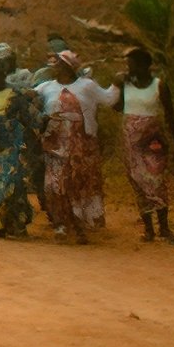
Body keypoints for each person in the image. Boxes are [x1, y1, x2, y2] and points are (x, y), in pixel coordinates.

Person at [39, 50, 115, 241]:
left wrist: (118, 82)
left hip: (82, 146)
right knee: (54, 184)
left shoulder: (87, 86)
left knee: (78, 184)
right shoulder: (46, 87)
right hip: (55, 146)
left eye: (59, 62)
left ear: (67, 66)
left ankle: (79, 225)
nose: (55, 65)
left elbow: (109, 99)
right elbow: (29, 97)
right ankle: (60, 224)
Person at [119, 47, 174, 242]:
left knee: (157, 181)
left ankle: (164, 228)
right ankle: (149, 229)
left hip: (153, 142)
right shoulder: (125, 84)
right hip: (131, 144)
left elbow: (171, 116)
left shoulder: (159, 85)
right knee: (138, 182)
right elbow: (117, 106)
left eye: (131, 65)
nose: (128, 68)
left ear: (144, 65)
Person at [0, 48, 42, 238]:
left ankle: (15, 223)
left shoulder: (14, 94)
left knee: (13, 184)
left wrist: (44, 120)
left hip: (11, 147)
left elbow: (31, 117)